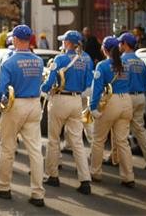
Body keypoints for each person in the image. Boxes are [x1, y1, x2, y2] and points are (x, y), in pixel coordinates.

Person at [0, 25, 45, 207]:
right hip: (34, 103)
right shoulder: (39, 61)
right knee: (35, 150)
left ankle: (4, 188)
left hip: (15, 106)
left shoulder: (9, 62)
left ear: (15, 39)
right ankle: (38, 193)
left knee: (7, 148)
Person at [41, 30, 92, 195]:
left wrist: (42, 89)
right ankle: (85, 180)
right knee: (77, 142)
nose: (62, 43)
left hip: (60, 100)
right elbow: (88, 83)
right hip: (77, 100)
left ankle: (52, 175)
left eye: (64, 41)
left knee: (53, 139)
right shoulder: (87, 59)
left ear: (68, 43)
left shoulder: (60, 58)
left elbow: (49, 83)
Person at [107, 32, 146, 171]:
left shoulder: (122, 60)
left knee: (119, 128)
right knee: (140, 129)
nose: (118, 46)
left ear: (125, 44)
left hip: (126, 97)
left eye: (120, 43)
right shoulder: (140, 62)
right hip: (140, 96)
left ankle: (115, 158)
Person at [89, 36, 134, 187]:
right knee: (123, 142)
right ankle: (128, 177)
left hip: (111, 101)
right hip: (127, 100)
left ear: (105, 49)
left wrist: (93, 107)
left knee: (99, 139)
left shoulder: (102, 65)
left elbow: (96, 89)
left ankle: (95, 172)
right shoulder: (126, 64)